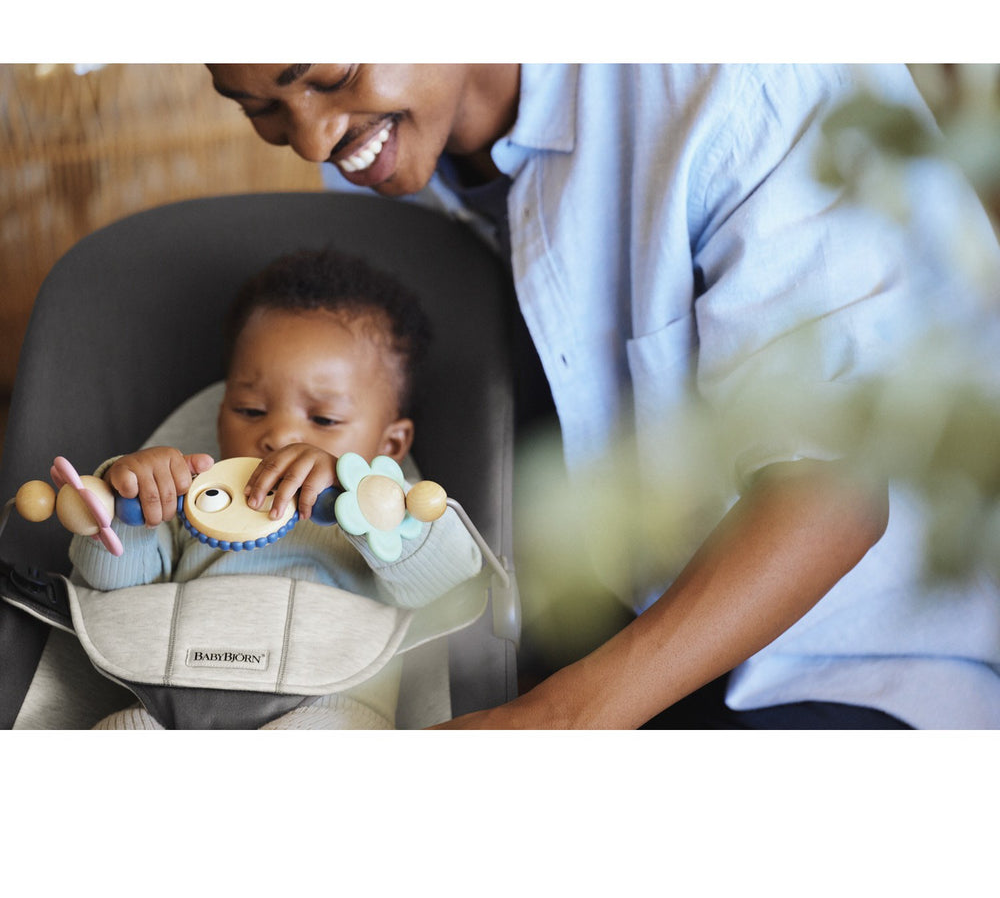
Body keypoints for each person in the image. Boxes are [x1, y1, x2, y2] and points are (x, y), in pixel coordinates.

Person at [206, 63, 1000, 730]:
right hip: (598, 652)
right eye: (259, 109)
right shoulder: (382, 161)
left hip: (853, 662)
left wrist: (554, 721)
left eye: (329, 76)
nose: (312, 140)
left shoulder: (740, 79)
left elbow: (834, 491)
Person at [69, 247, 484, 729]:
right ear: (220, 416)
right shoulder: (197, 501)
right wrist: (131, 502)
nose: (280, 435)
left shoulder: (386, 512)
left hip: (329, 701)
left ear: (390, 444)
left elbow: (449, 582)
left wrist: (369, 502)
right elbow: (114, 590)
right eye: (250, 410)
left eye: (324, 419)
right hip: (170, 693)